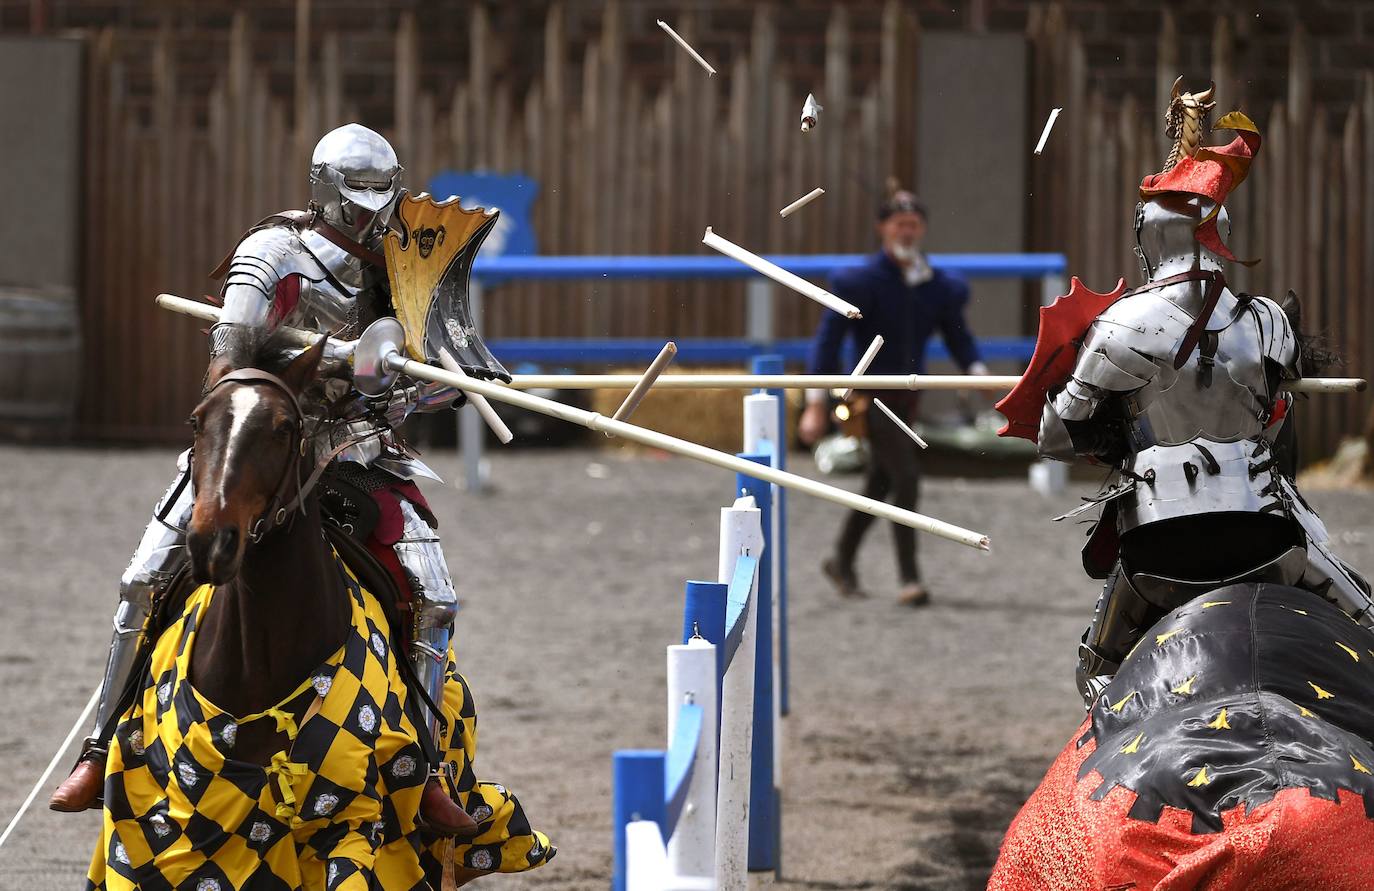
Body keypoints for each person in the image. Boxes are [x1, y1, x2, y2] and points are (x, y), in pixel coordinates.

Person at [49, 123, 496, 837]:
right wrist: (339, 359)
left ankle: (428, 771)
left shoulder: (409, 263)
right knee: (143, 577)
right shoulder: (273, 255)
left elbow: (440, 385)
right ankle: (102, 750)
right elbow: (229, 369)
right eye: (355, 198)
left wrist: (410, 382)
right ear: (322, 189)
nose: (368, 214)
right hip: (257, 440)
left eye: (380, 197)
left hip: (357, 448)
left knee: (435, 598)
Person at [1019, 96, 1372, 703]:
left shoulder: (1121, 326)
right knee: (1367, 624)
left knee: (1096, 672)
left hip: (1159, 544)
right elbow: (1277, 414)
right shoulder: (1267, 322)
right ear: (1221, 232)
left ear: (1148, 238)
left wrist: (1080, 395)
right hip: (1267, 538)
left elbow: (1055, 438)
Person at [799, 187, 988, 606]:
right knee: (906, 478)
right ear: (883, 228)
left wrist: (977, 372)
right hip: (870, 399)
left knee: (880, 483)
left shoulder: (934, 284)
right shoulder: (860, 282)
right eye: (899, 223)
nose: (906, 230)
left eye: (913, 224)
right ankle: (909, 577)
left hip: (907, 398)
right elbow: (827, 344)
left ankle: (842, 559)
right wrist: (815, 402)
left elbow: (958, 336)